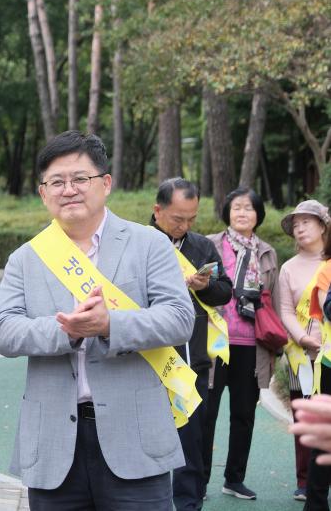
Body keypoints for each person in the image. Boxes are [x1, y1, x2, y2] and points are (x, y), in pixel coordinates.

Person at [0, 130, 194, 510]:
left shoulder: (149, 244)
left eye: (79, 179)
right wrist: (65, 331)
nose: (69, 189)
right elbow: (3, 330)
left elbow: (180, 318)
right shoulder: (26, 257)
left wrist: (109, 325)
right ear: (43, 193)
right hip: (52, 442)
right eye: (56, 181)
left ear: (105, 183)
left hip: (135, 439)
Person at [150, 178, 233, 511]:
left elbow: (225, 292)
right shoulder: (137, 242)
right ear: (158, 210)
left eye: (191, 219)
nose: (184, 226)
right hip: (149, 359)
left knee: (192, 440)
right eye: (177, 219)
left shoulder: (201, 246)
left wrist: (201, 287)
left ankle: (189, 503)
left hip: (193, 360)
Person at [204, 187, 279, 500]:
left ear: (258, 215)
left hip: (251, 344)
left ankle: (234, 479)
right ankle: (197, 479)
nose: (242, 213)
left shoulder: (267, 252)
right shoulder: (209, 245)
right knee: (206, 414)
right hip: (214, 342)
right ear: (227, 213)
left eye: (248, 208)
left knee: (244, 414)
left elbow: (271, 299)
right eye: (236, 208)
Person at [277, 200, 330, 501]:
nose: (299, 228)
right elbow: (285, 311)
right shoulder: (288, 268)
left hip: (330, 356)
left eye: (306, 222)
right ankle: (305, 480)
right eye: (295, 225)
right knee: (305, 418)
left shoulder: (330, 263)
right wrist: (301, 337)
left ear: (323, 226)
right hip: (301, 356)